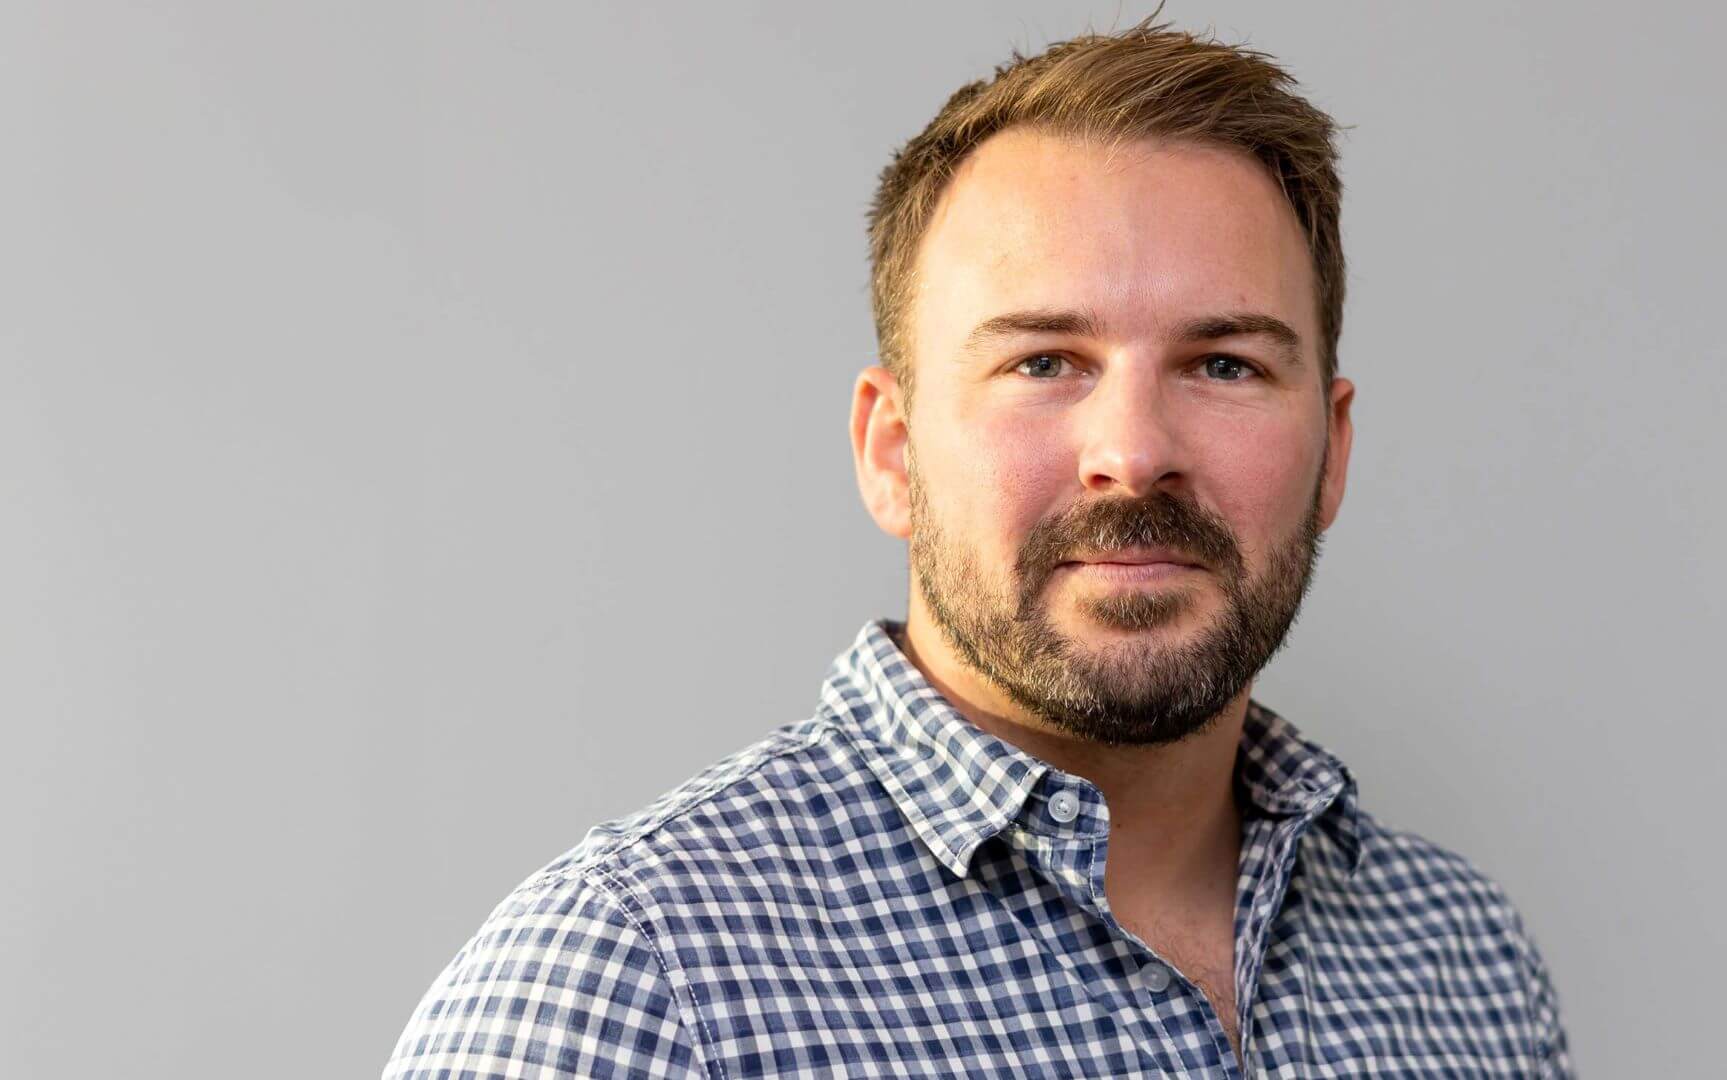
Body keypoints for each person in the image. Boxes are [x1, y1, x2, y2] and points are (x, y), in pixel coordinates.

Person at [385, 17, 1575, 1078]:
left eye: (1226, 365)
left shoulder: (1461, 960)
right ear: (892, 451)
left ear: (1333, 449)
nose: (1133, 451)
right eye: (1043, 362)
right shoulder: (634, 992)